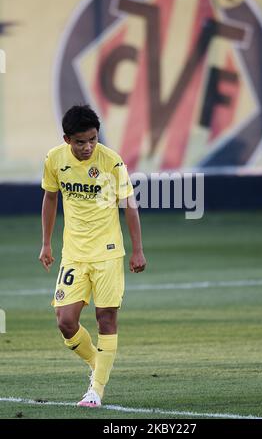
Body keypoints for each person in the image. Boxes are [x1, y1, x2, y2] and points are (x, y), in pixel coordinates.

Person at [39, 104, 146, 408]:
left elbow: (130, 205)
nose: (87, 147)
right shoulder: (54, 160)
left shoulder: (111, 162)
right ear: (67, 139)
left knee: (106, 317)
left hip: (108, 253)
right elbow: (50, 197)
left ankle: (96, 390)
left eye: (93, 140)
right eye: (80, 141)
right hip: (74, 253)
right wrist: (46, 244)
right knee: (65, 321)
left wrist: (137, 249)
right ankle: (98, 364)